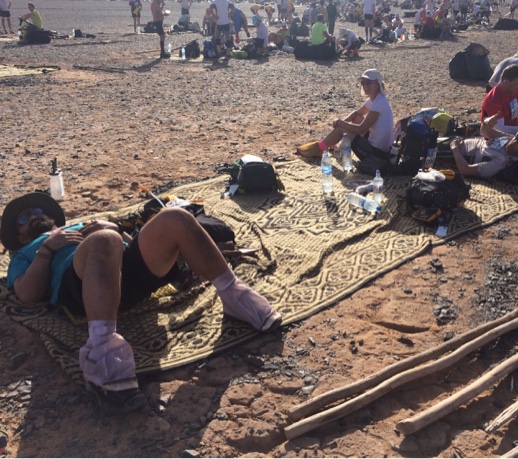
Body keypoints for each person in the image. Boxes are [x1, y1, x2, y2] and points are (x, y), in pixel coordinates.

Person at [0, 192, 282, 414]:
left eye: (37, 211)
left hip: (130, 272)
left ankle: (234, 298)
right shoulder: (27, 251)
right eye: (23, 219)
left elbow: (127, 244)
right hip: (80, 287)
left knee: (174, 217)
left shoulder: (80, 225)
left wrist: (114, 229)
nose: (33, 217)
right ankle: (103, 355)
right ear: (20, 235)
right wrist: (48, 248)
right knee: (104, 239)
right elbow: (26, 295)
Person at [297, 69, 394, 164]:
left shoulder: (378, 103)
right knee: (357, 118)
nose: (365, 86)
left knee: (340, 130)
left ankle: (319, 148)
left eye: (368, 82)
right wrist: (343, 122)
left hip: (376, 154)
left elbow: (361, 129)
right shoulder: (375, 99)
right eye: (362, 83)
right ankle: (335, 144)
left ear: (378, 84)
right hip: (378, 147)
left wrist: (340, 124)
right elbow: (357, 113)